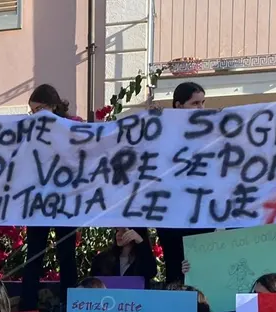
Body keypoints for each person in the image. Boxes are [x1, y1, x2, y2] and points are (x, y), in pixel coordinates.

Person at [18, 83, 82, 312]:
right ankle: (27, 308)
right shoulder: (29, 131)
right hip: (38, 202)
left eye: (40, 109)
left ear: (54, 106)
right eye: (32, 110)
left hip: (66, 202)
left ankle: (69, 308)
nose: (36, 114)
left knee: (66, 254)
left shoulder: (74, 125)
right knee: (34, 253)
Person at [157, 82, 213, 285]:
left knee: (200, 266)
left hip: (201, 212)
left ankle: (201, 309)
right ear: (178, 105)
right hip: (170, 214)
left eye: (203, 103)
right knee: (175, 265)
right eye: (195, 103)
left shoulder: (211, 131)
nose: (201, 108)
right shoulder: (161, 131)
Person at [90, 228, 158, 285]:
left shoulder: (143, 259)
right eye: (118, 230)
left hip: (135, 300)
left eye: (124, 231)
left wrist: (140, 242)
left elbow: (151, 272)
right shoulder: (102, 259)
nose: (119, 234)